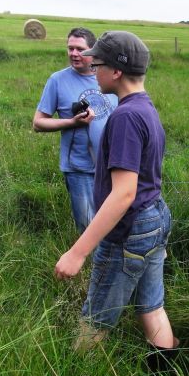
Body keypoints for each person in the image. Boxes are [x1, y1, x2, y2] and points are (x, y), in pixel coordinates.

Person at [53, 31, 178, 366]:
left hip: (129, 228)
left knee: (95, 318)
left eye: (99, 64)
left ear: (117, 71)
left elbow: (124, 192)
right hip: (154, 216)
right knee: (151, 307)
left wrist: (78, 252)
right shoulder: (144, 107)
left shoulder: (124, 117)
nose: (94, 69)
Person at [33, 27, 118, 233]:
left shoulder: (110, 76)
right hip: (79, 168)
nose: (73, 53)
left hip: (113, 166)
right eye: (70, 48)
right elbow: (38, 123)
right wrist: (72, 122)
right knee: (88, 227)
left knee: (114, 224)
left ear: (93, 51)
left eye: (79, 49)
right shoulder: (57, 80)